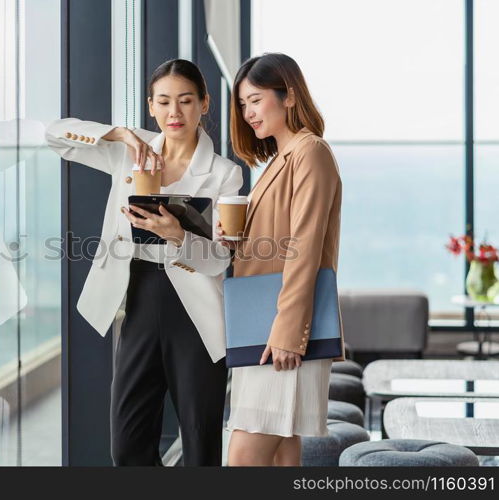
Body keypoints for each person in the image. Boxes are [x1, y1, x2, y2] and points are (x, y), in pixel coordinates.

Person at [46, 59, 243, 465]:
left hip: (196, 310)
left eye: (186, 101)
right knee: (128, 444)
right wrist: (116, 133)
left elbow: (218, 259)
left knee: (200, 441)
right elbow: (55, 136)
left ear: (204, 104)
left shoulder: (225, 174)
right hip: (138, 295)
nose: (175, 113)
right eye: (165, 102)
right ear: (151, 106)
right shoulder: (128, 151)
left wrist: (179, 235)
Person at [218, 53, 345, 466]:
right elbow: (279, 241)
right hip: (263, 327)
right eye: (242, 104)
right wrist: (236, 241)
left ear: (288, 95)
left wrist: (291, 332)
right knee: (281, 456)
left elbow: (305, 247)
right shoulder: (281, 159)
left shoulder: (309, 152)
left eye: (255, 99)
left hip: (281, 332)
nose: (248, 112)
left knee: (243, 457)